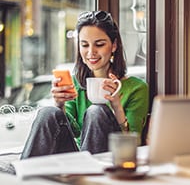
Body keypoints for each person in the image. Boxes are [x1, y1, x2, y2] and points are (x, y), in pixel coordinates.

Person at [21, 10, 149, 159]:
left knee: (97, 111)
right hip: (77, 157)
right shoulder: (76, 82)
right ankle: (22, 177)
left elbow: (132, 145)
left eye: (99, 44)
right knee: (48, 112)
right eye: (84, 45)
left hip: (109, 159)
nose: (91, 52)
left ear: (114, 45)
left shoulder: (136, 88)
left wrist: (116, 107)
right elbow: (73, 131)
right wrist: (59, 105)